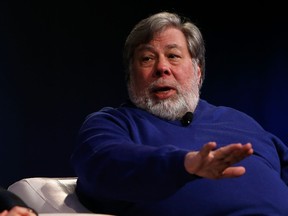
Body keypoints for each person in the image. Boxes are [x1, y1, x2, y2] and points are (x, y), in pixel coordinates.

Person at [70, 11, 288, 216]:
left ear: (198, 71)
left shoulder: (240, 121)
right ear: (130, 76)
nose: (162, 67)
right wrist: (185, 165)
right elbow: (105, 168)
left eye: (173, 56)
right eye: (147, 58)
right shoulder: (112, 124)